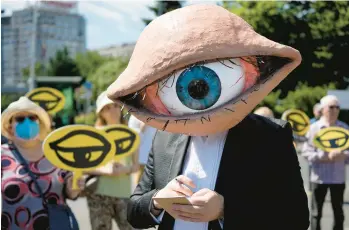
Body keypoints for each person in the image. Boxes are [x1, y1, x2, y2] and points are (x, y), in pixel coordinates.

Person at [106, 4, 309, 230]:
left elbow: (296, 218)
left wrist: (226, 210)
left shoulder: (270, 136)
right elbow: (134, 211)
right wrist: (157, 201)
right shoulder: (165, 138)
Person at [1, 97, 84, 229]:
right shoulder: (2, 155)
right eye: (20, 119)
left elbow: (71, 193)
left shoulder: (56, 153)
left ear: (39, 123)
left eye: (32, 118)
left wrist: (75, 186)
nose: (27, 122)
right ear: (10, 126)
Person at [84, 91, 139, 230]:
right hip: (98, 194)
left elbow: (135, 167)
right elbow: (82, 166)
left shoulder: (131, 134)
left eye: (115, 106)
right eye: (107, 108)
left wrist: (123, 170)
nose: (112, 110)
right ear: (101, 113)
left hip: (123, 193)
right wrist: (105, 170)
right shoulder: (93, 135)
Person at [302, 95, 349, 230]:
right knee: (316, 213)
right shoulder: (314, 128)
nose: (334, 110)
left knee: (339, 213)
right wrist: (323, 156)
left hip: (338, 178)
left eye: (337, 107)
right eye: (331, 107)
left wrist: (343, 154)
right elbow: (306, 152)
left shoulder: (344, 128)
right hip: (319, 178)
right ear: (323, 109)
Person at [128, 115, 157, 183]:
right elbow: (132, 140)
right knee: (138, 185)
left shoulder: (156, 115)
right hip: (139, 159)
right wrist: (143, 126)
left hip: (153, 159)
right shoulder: (134, 117)